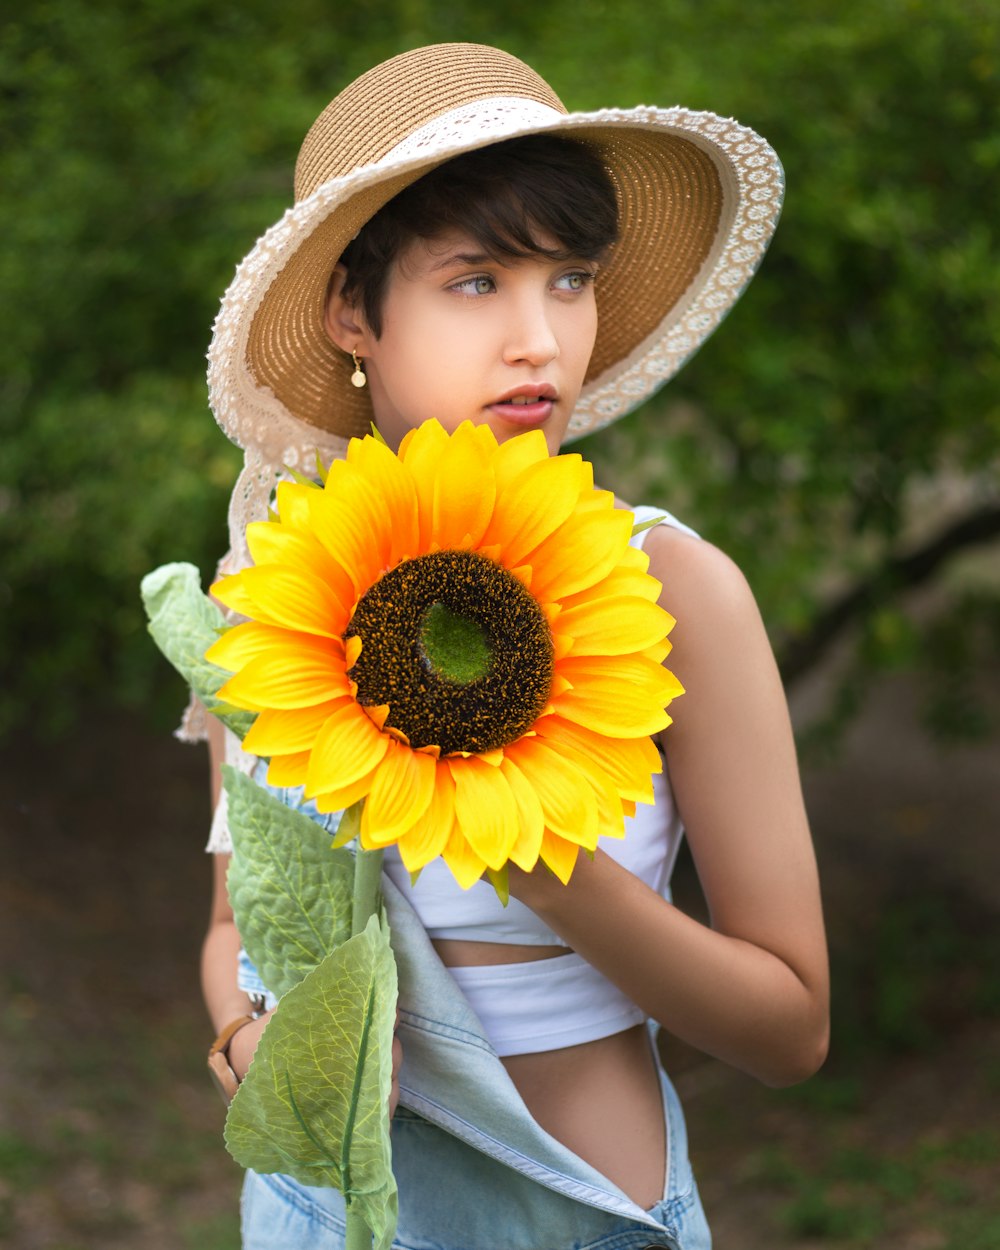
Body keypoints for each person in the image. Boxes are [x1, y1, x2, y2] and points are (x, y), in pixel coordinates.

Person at [194, 42, 829, 1250]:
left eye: (571, 279)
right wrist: (244, 1034)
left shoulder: (666, 588)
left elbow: (791, 1027)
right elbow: (235, 924)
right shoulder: (271, 594)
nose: (540, 339)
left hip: (578, 1215)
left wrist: (539, 864)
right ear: (350, 311)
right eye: (477, 281)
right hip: (314, 1214)